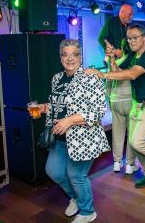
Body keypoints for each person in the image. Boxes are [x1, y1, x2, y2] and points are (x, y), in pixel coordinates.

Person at [31, 39, 110, 223]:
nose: (70, 58)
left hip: (84, 138)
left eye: (75, 54)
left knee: (76, 175)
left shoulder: (91, 78)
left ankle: (87, 211)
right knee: (54, 172)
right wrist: (45, 108)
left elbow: (98, 112)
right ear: (60, 58)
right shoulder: (57, 78)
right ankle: (76, 197)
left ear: (80, 57)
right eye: (65, 54)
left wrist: (70, 120)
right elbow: (57, 105)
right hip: (60, 138)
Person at [87, 24, 145, 188]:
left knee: (137, 141)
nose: (131, 41)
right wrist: (111, 58)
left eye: (135, 38)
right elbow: (118, 71)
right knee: (133, 142)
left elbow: (132, 74)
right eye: (129, 38)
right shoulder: (133, 54)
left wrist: (103, 74)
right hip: (138, 103)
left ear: (144, 37)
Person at [99, 4, 138, 174]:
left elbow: (110, 76)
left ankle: (117, 162)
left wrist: (111, 57)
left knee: (117, 131)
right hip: (130, 98)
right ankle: (129, 164)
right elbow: (102, 38)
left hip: (115, 98)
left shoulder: (110, 62)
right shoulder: (134, 59)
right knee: (132, 131)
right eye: (129, 14)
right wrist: (113, 51)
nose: (130, 17)